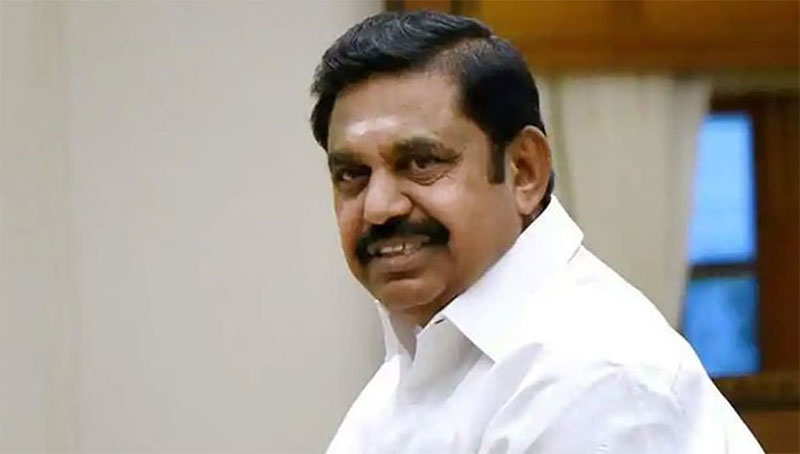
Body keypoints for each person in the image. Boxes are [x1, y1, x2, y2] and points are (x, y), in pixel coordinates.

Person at [309, 10, 763, 454]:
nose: (379, 207)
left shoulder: (594, 374)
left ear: (525, 171)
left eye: (421, 163)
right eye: (352, 174)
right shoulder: (413, 366)